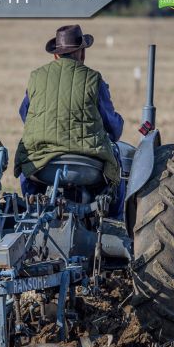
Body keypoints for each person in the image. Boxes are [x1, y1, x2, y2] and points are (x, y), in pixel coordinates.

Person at [14, 24, 125, 219]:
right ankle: (114, 222)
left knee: (26, 163)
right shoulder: (93, 79)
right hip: (88, 167)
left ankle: (33, 211)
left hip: (42, 165)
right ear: (82, 53)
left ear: (56, 55)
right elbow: (113, 128)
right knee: (117, 167)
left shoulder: (36, 77)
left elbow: (26, 115)